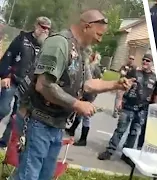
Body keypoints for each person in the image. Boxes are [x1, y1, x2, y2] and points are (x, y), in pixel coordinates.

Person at [13, 9, 135, 180]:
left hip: (55, 124)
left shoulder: (81, 50)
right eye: (99, 34)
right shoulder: (59, 43)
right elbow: (44, 85)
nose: (99, 40)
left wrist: (115, 84)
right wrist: (77, 104)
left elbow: (88, 84)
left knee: (44, 176)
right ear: (87, 26)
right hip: (37, 121)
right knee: (28, 176)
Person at [0, 16, 51, 148]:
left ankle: (4, 142)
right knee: (3, 109)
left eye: (47, 29)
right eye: (42, 27)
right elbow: (8, 56)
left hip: (28, 86)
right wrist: (4, 75)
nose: (45, 31)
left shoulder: (47, 46)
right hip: (13, 79)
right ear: (36, 26)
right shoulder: (22, 39)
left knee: (17, 117)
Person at [98, 53, 157, 160]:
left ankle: (126, 155)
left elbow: (156, 95)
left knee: (134, 133)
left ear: (152, 63)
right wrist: (119, 100)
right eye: (144, 60)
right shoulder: (134, 72)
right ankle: (109, 151)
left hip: (142, 110)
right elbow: (123, 85)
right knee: (120, 129)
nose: (145, 62)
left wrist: (154, 110)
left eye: (148, 61)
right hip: (128, 106)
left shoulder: (155, 78)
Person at [65, 50, 102, 146]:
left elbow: (93, 82)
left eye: (90, 56)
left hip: (89, 94)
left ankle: (83, 139)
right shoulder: (95, 68)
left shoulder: (92, 68)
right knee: (79, 113)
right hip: (89, 94)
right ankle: (72, 130)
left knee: (85, 116)